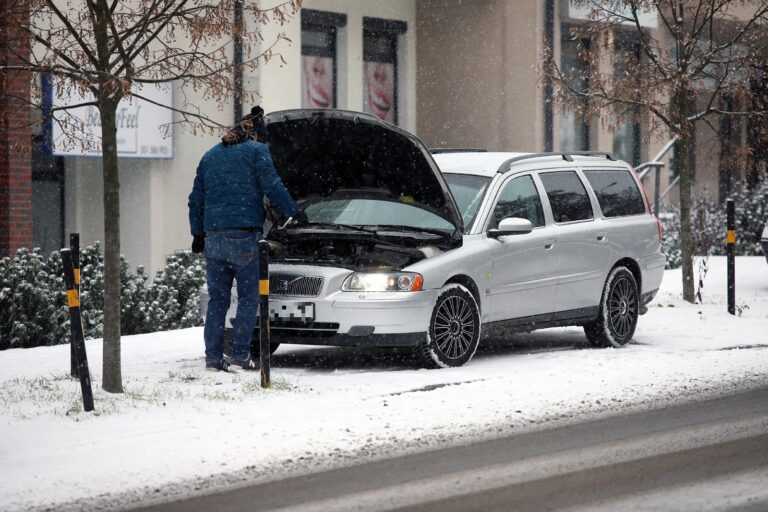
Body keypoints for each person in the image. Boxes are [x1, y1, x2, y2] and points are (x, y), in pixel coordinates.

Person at [188, 106, 305, 371]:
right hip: (243, 236)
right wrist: (294, 212)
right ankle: (240, 355)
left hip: (213, 238)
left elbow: (195, 199)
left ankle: (213, 359)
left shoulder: (210, 156)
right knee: (249, 298)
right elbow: (272, 184)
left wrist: (197, 233)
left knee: (218, 301)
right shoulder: (257, 151)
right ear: (256, 137)